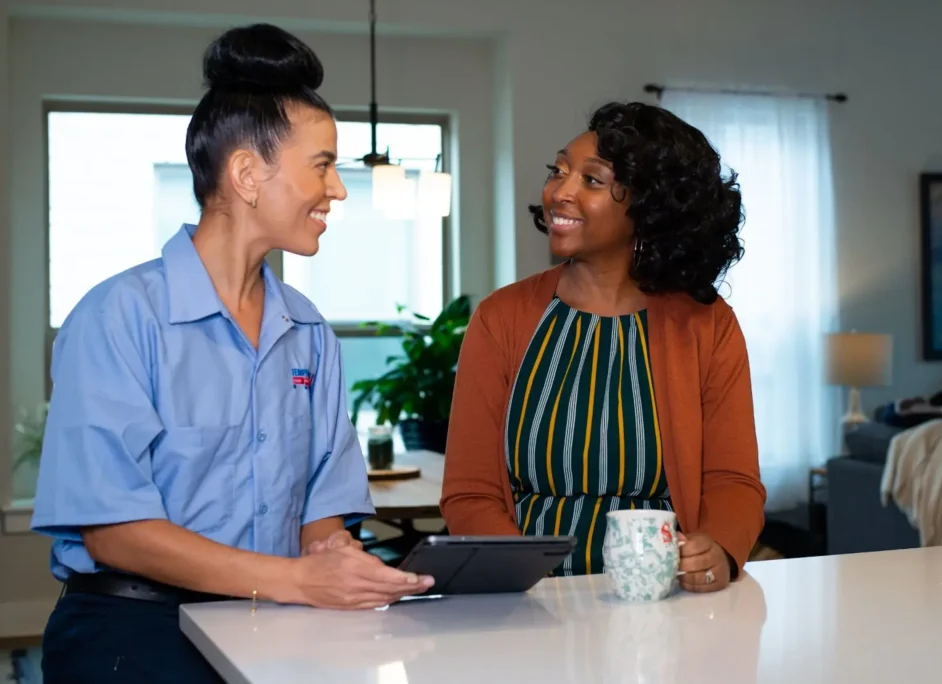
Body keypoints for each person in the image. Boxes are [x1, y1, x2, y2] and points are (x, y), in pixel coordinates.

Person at [31, 24, 433, 683]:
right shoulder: (120, 316)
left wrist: (335, 563)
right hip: (131, 632)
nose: (336, 191)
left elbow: (319, 509)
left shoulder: (308, 331)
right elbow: (115, 531)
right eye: (323, 165)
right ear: (247, 173)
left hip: (274, 619)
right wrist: (300, 580)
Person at [440, 101, 765, 592]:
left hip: (666, 601)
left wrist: (718, 546)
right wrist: (527, 584)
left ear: (647, 204)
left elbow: (733, 480)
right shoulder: (501, 318)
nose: (559, 192)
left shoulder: (707, 325)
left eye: (591, 181)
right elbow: (470, 492)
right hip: (533, 604)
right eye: (559, 171)